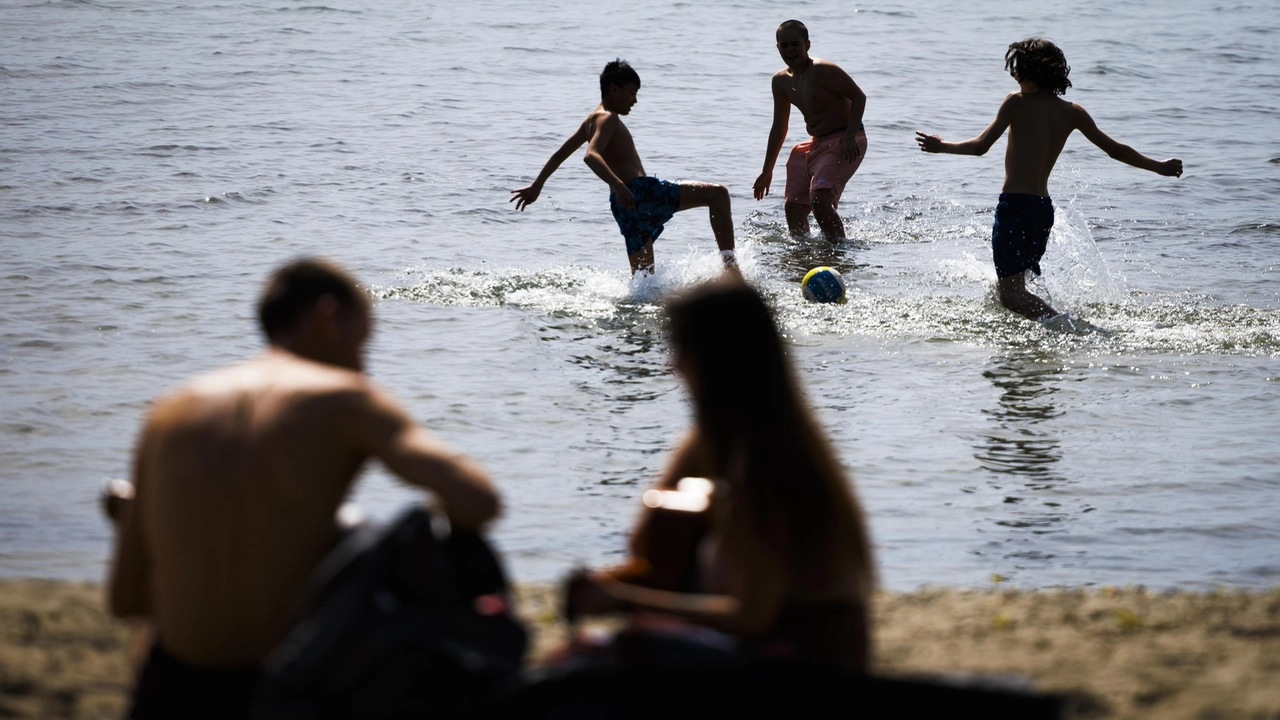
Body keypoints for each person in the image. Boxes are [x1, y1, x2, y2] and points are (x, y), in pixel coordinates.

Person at [106, 258, 501, 719]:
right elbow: (477, 501)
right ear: (327, 318)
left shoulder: (170, 409)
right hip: (284, 689)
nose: (363, 363)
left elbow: (126, 600)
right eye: (362, 342)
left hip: (169, 687)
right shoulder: (344, 397)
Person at [566, 280, 875, 671]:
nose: (672, 365)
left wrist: (621, 599)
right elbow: (648, 542)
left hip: (805, 669)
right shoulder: (741, 438)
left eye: (681, 349)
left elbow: (750, 616)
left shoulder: (767, 462)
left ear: (715, 360)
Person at [915, 37, 1182, 323]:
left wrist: (942, 146)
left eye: (1015, 67)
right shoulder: (1072, 112)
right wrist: (1158, 167)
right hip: (1042, 210)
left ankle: (1067, 326)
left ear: (1025, 70)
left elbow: (981, 146)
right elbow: (1116, 150)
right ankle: (1028, 344)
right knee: (1008, 288)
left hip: (1015, 206)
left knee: (1010, 294)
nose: (1013, 74)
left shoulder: (1015, 102)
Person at [510, 60, 738, 276]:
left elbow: (560, 154)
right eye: (632, 93)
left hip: (623, 206)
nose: (635, 100)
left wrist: (537, 185)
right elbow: (591, 155)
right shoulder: (608, 118)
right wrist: (618, 184)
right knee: (718, 194)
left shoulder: (591, 119)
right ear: (613, 89)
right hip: (639, 192)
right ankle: (731, 270)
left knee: (644, 282)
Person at [753, 20, 868, 241]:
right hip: (815, 143)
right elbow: (779, 127)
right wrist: (766, 171)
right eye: (784, 45)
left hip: (846, 139)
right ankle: (803, 254)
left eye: (795, 44)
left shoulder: (822, 70)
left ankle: (838, 250)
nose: (790, 50)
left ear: (807, 44)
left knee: (819, 200)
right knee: (793, 207)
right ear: (778, 48)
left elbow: (859, 96)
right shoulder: (780, 81)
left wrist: (850, 136)